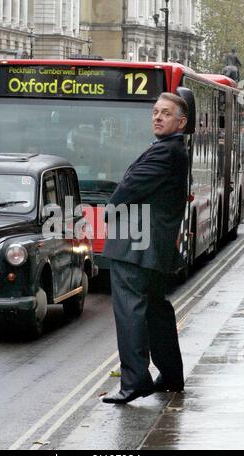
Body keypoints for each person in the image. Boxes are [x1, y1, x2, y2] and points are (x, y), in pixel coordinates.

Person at [102, 92, 189, 404]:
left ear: (181, 121)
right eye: (155, 112)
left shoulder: (165, 152)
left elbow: (130, 187)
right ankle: (171, 375)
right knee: (155, 311)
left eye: (166, 113)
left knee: (130, 313)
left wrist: (109, 213)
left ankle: (136, 381)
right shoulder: (173, 149)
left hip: (135, 247)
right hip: (153, 247)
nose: (157, 117)